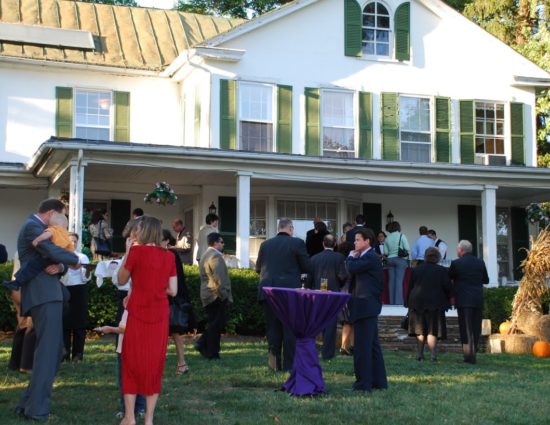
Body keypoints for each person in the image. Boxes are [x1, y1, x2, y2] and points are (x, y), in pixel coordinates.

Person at [15, 198, 80, 421]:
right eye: (62, 216)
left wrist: (62, 265)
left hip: (47, 294)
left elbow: (54, 260)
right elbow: (50, 250)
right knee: (49, 353)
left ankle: (28, 403)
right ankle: (37, 409)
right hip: (43, 295)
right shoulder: (33, 226)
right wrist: (75, 259)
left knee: (55, 351)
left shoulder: (42, 228)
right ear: (52, 212)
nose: (63, 223)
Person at [117, 216, 177, 425]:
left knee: (131, 363)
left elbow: (120, 279)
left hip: (138, 315)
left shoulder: (135, 252)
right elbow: (173, 290)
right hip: (159, 316)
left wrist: (127, 253)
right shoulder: (169, 257)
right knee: (154, 365)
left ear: (142, 232)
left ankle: (130, 417)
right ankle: (149, 420)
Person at [256, 218, 310, 371]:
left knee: (272, 329)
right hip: (289, 293)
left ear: (278, 228)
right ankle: (289, 366)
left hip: (268, 292)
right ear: (291, 229)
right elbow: (306, 266)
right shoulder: (297, 243)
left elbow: (258, 268)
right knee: (289, 329)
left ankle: (273, 365)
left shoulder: (265, 245)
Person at [345, 228, 388, 393]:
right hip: (366, 306)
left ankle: (363, 384)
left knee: (363, 346)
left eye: (357, 239)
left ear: (367, 241)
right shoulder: (367, 257)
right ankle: (379, 381)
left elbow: (351, 268)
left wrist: (350, 256)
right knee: (372, 345)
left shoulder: (369, 257)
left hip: (365, 306)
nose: (354, 243)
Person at [94, 309, 146, 420]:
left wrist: (109, 329)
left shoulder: (130, 309)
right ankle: (140, 409)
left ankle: (127, 410)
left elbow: (124, 328)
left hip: (127, 350)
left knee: (126, 381)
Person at [3, 212, 74, 291]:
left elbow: (46, 235)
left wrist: (37, 240)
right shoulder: (66, 236)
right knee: (36, 267)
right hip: (57, 258)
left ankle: (17, 283)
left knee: (31, 266)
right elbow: (70, 250)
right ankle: (17, 282)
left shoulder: (54, 229)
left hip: (48, 255)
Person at [405, 247, 452, 362]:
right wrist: (449, 297)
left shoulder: (417, 269)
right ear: (438, 257)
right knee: (432, 329)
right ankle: (432, 355)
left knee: (419, 329)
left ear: (425, 256)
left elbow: (410, 286)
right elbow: (448, 287)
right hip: (435, 303)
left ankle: (419, 354)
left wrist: (407, 302)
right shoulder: (442, 271)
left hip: (417, 302)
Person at [449, 240, 489, 364]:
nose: (457, 251)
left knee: (466, 328)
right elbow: (486, 280)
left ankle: (468, 356)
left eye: (457, 249)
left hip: (464, 299)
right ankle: (473, 354)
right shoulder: (480, 262)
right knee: (476, 328)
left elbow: (449, 278)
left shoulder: (456, 263)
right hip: (477, 298)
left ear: (461, 250)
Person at [308, 234, 348, 359]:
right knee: (330, 323)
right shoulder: (339, 257)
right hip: (333, 294)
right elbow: (343, 276)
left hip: (317, 294)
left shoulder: (314, 258)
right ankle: (328, 353)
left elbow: (309, 278)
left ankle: (310, 350)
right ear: (335, 244)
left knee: (315, 322)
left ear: (323, 244)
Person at [161, 229, 195, 374]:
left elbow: (177, 278)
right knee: (167, 332)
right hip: (165, 296)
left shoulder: (171, 255)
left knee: (175, 331)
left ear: (167, 240)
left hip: (171, 297)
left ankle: (182, 363)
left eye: (160, 239)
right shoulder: (163, 254)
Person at [195, 232, 233, 360]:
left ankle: (205, 346)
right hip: (215, 295)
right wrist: (225, 296)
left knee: (213, 323)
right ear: (215, 243)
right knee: (215, 325)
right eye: (221, 242)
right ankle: (211, 351)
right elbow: (220, 279)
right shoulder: (215, 257)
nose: (223, 244)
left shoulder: (205, 254)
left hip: (207, 294)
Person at [61, 232, 92, 362]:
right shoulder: (60, 256)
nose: (73, 243)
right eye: (70, 241)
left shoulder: (83, 257)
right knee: (64, 324)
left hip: (79, 289)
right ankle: (64, 354)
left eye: (75, 241)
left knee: (79, 324)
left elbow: (86, 278)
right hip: (64, 290)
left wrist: (83, 269)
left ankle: (78, 355)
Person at [8, 252, 36, 374]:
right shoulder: (34, 251)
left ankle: (15, 362)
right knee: (30, 326)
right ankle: (25, 365)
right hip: (26, 288)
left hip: (16, 287)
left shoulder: (20, 250)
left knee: (22, 325)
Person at [384, 221, 410, 305]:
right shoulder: (402, 235)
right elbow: (407, 248)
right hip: (400, 260)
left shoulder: (387, 238)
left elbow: (386, 252)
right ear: (398, 227)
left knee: (391, 282)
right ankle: (398, 304)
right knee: (399, 282)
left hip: (390, 260)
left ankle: (392, 303)